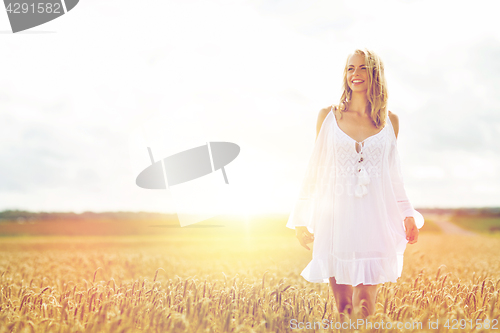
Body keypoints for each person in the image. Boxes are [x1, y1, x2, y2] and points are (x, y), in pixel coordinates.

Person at [286, 48, 424, 321]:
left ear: (375, 74)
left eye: (362, 68)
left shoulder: (389, 121)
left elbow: (393, 174)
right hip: (336, 222)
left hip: (375, 219)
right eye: (350, 68)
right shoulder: (328, 116)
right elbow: (314, 169)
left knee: (365, 306)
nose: (355, 74)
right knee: (344, 308)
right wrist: (301, 218)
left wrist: (407, 214)